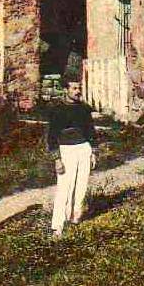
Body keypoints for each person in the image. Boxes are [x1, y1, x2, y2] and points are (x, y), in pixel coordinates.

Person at [47, 81, 97, 238]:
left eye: (79, 88)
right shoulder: (57, 110)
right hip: (66, 151)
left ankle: (75, 219)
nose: (78, 91)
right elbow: (52, 137)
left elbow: (91, 132)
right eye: (74, 88)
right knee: (64, 188)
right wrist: (57, 159)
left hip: (84, 148)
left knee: (81, 186)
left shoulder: (84, 109)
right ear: (65, 90)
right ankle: (57, 226)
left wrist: (93, 152)